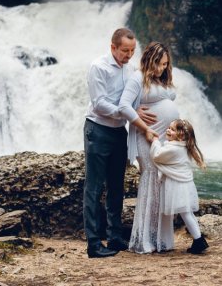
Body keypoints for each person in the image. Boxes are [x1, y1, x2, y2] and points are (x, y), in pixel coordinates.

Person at [83, 28, 156, 258]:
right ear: (113, 47)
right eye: (125, 50)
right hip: (98, 130)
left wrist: (136, 111)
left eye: (133, 51)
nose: (129, 55)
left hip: (118, 133)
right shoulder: (98, 67)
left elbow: (133, 100)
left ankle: (114, 237)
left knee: (117, 186)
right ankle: (94, 244)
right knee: (94, 189)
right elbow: (99, 104)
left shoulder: (131, 69)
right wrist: (128, 113)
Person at [118, 41, 178, 253]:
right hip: (147, 136)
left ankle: (161, 239)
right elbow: (124, 105)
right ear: (150, 59)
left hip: (163, 137)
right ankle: (144, 239)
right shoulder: (137, 77)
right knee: (151, 179)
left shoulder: (160, 79)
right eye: (160, 64)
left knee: (162, 182)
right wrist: (144, 127)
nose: (162, 68)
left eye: (165, 65)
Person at [150, 119, 209, 254]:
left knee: (186, 214)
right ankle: (198, 240)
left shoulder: (173, 149)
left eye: (172, 129)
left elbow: (156, 156)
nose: (168, 130)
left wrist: (155, 141)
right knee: (188, 213)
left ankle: (199, 241)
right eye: (168, 127)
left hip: (177, 187)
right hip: (185, 186)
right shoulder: (184, 147)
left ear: (181, 135)